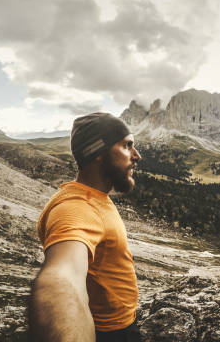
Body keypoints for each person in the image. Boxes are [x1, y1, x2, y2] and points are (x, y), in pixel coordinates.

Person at [29, 112, 142, 342]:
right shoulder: (77, 208)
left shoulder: (91, 195)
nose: (137, 155)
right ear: (98, 152)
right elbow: (62, 278)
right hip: (111, 334)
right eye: (127, 146)